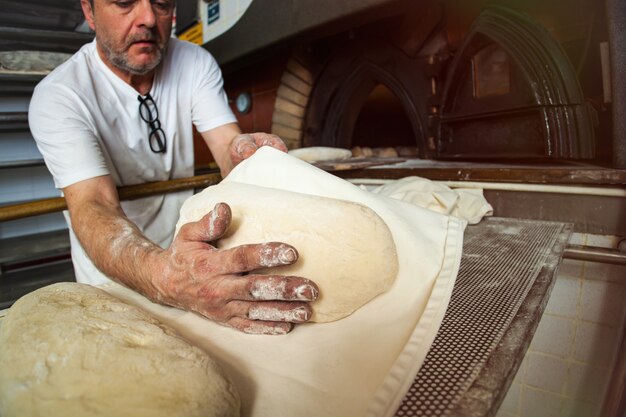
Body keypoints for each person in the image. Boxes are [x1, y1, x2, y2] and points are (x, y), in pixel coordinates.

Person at [28, 0, 319, 335]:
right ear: (89, 12)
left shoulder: (194, 62)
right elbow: (93, 203)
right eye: (124, 3)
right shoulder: (61, 95)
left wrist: (244, 154)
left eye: (163, 3)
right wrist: (164, 277)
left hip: (194, 264)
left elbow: (227, 146)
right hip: (114, 281)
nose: (149, 19)